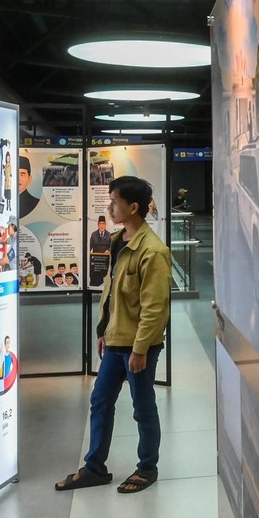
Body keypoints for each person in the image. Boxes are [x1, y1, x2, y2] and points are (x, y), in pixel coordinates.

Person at [56, 175, 171, 495]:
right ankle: (95, 467)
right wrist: (102, 331)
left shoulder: (153, 251)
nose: (109, 207)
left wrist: (140, 349)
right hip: (115, 340)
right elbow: (110, 293)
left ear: (133, 207)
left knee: (142, 407)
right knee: (101, 401)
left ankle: (147, 467)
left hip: (138, 346)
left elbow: (155, 308)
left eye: (114, 201)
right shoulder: (118, 241)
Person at [89, 215, 112, 287]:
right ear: (98, 225)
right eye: (100, 224)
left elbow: (111, 246)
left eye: (103, 224)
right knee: (94, 277)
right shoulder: (93, 234)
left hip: (104, 260)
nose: (102, 225)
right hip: (95, 260)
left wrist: (108, 251)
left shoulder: (109, 235)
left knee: (103, 276)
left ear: (105, 225)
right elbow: (89, 247)